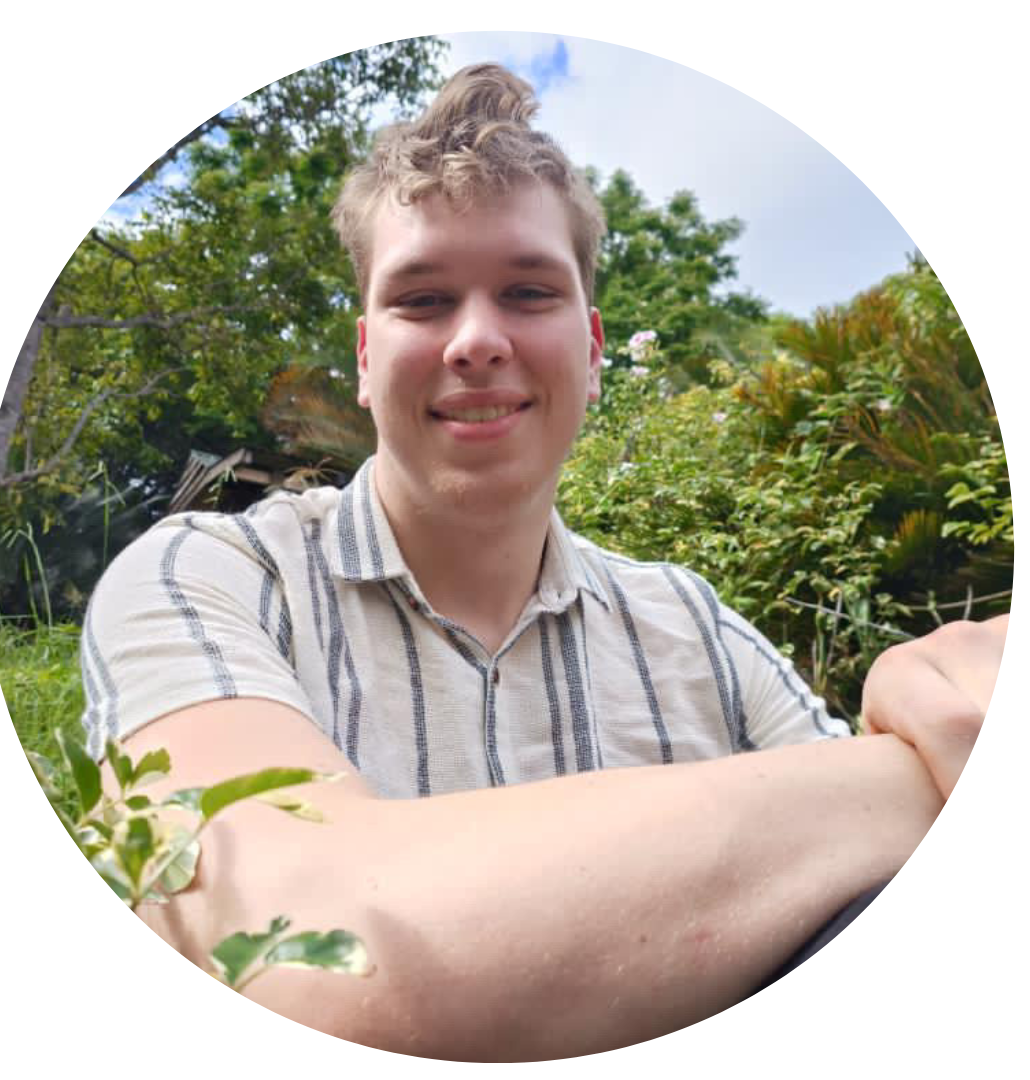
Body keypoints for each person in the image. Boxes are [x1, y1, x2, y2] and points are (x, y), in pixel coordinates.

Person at [81, 64, 1009, 1061]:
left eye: (528, 292)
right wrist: (930, 772)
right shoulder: (202, 581)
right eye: (423, 299)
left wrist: (937, 710)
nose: (478, 340)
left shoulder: (694, 627)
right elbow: (291, 953)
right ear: (364, 358)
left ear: (594, 348)